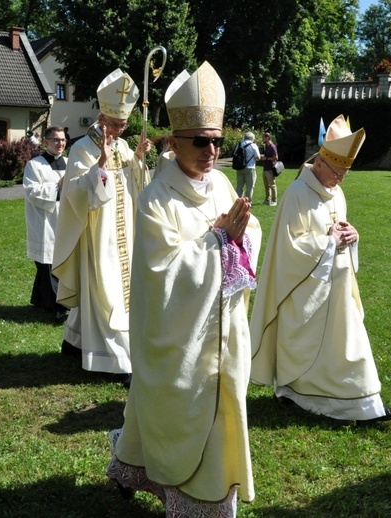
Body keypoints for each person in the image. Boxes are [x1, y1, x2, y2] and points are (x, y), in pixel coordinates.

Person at [107, 61, 260, 516]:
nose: (212, 151)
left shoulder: (221, 185)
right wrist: (217, 239)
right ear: (173, 143)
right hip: (179, 338)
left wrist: (239, 234)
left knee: (217, 405)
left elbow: (247, 237)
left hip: (222, 330)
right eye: (201, 142)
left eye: (217, 141)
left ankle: (171, 480)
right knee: (173, 409)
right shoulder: (156, 199)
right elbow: (162, 273)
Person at [249, 115, 391, 424]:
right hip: (305, 294)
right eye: (338, 172)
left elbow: (340, 233)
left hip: (338, 292)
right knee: (325, 348)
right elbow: (289, 249)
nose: (341, 180)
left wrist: (352, 237)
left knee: (348, 343)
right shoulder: (297, 194)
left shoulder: (336, 192)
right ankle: (299, 393)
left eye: (346, 173)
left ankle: (361, 404)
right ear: (321, 163)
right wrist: (327, 243)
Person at [52, 68, 151, 388]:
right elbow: (76, 193)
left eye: (123, 124)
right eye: (114, 123)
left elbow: (135, 182)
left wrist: (138, 158)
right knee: (107, 292)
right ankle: (118, 360)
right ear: (100, 115)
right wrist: (99, 167)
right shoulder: (82, 148)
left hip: (124, 230)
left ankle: (74, 339)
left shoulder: (121, 146)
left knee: (114, 290)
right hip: (97, 233)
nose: (118, 130)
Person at [23, 125, 68, 319]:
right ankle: (57, 306)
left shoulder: (70, 162)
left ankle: (40, 298)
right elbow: (31, 191)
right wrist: (57, 187)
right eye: (56, 140)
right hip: (45, 221)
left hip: (66, 219)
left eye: (63, 140)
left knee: (60, 262)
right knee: (48, 264)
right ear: (46, 142)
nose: (60, 144)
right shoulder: (35, 165)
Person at [233, 131, 260, 201]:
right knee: (249, 187)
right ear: (252, 138)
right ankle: (247, 202)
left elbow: (235, 154)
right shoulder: (253, 145)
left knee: (239, 187)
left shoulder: (239, 144)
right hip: (250, 167)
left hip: (239, 167)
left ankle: (238, 201)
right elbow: (258, 157)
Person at [261, 132, 279, 206]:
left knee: (272, 185)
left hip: (270, 169)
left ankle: (274, 201)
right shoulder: (266, 146)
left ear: (268, 138)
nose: (263, 139)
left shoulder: (272, 147)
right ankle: (267, 200)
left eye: (264, 137)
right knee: (266, 185)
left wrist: (266, 158)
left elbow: (276, 157)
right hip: (265, 168)